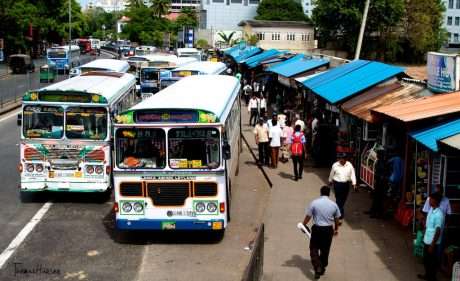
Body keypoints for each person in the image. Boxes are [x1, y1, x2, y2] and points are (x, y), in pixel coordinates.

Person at [303, 186, 341, 279]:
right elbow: (337, 219)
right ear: (329, 194)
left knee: (314, 248)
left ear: (320, 193)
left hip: (317, 229)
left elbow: (308, 216)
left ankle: (317, 266)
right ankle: (322, 266)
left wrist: (303, 224)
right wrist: (336, 229)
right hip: (328, 230)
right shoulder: (334, 205)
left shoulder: (314, 203)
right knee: (325, 249)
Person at [417, 192, 444, 281]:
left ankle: (432, 278)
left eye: (431, 199)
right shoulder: (431, 210)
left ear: (436, 201)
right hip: (427, 240)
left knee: (432, 262)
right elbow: (428, 225)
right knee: (426, 260)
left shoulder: (439, 214)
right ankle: (427, 275)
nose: (429, 201)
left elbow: (438, 230)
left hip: (433, 243)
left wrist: (432, 244)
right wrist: (422, 220)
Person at [328, 153, 356, 222]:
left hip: (346, 185)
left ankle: (340, 213)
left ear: (345, 159)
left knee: (343, 199)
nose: (340, 160)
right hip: (337, 184)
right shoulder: (335, 165)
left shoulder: (349, 165)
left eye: (342, 159)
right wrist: (330, 180)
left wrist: (354, 183)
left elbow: (352, 174)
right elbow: (332, 173)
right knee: (338, 199)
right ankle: (338, 215)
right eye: (339, 158)